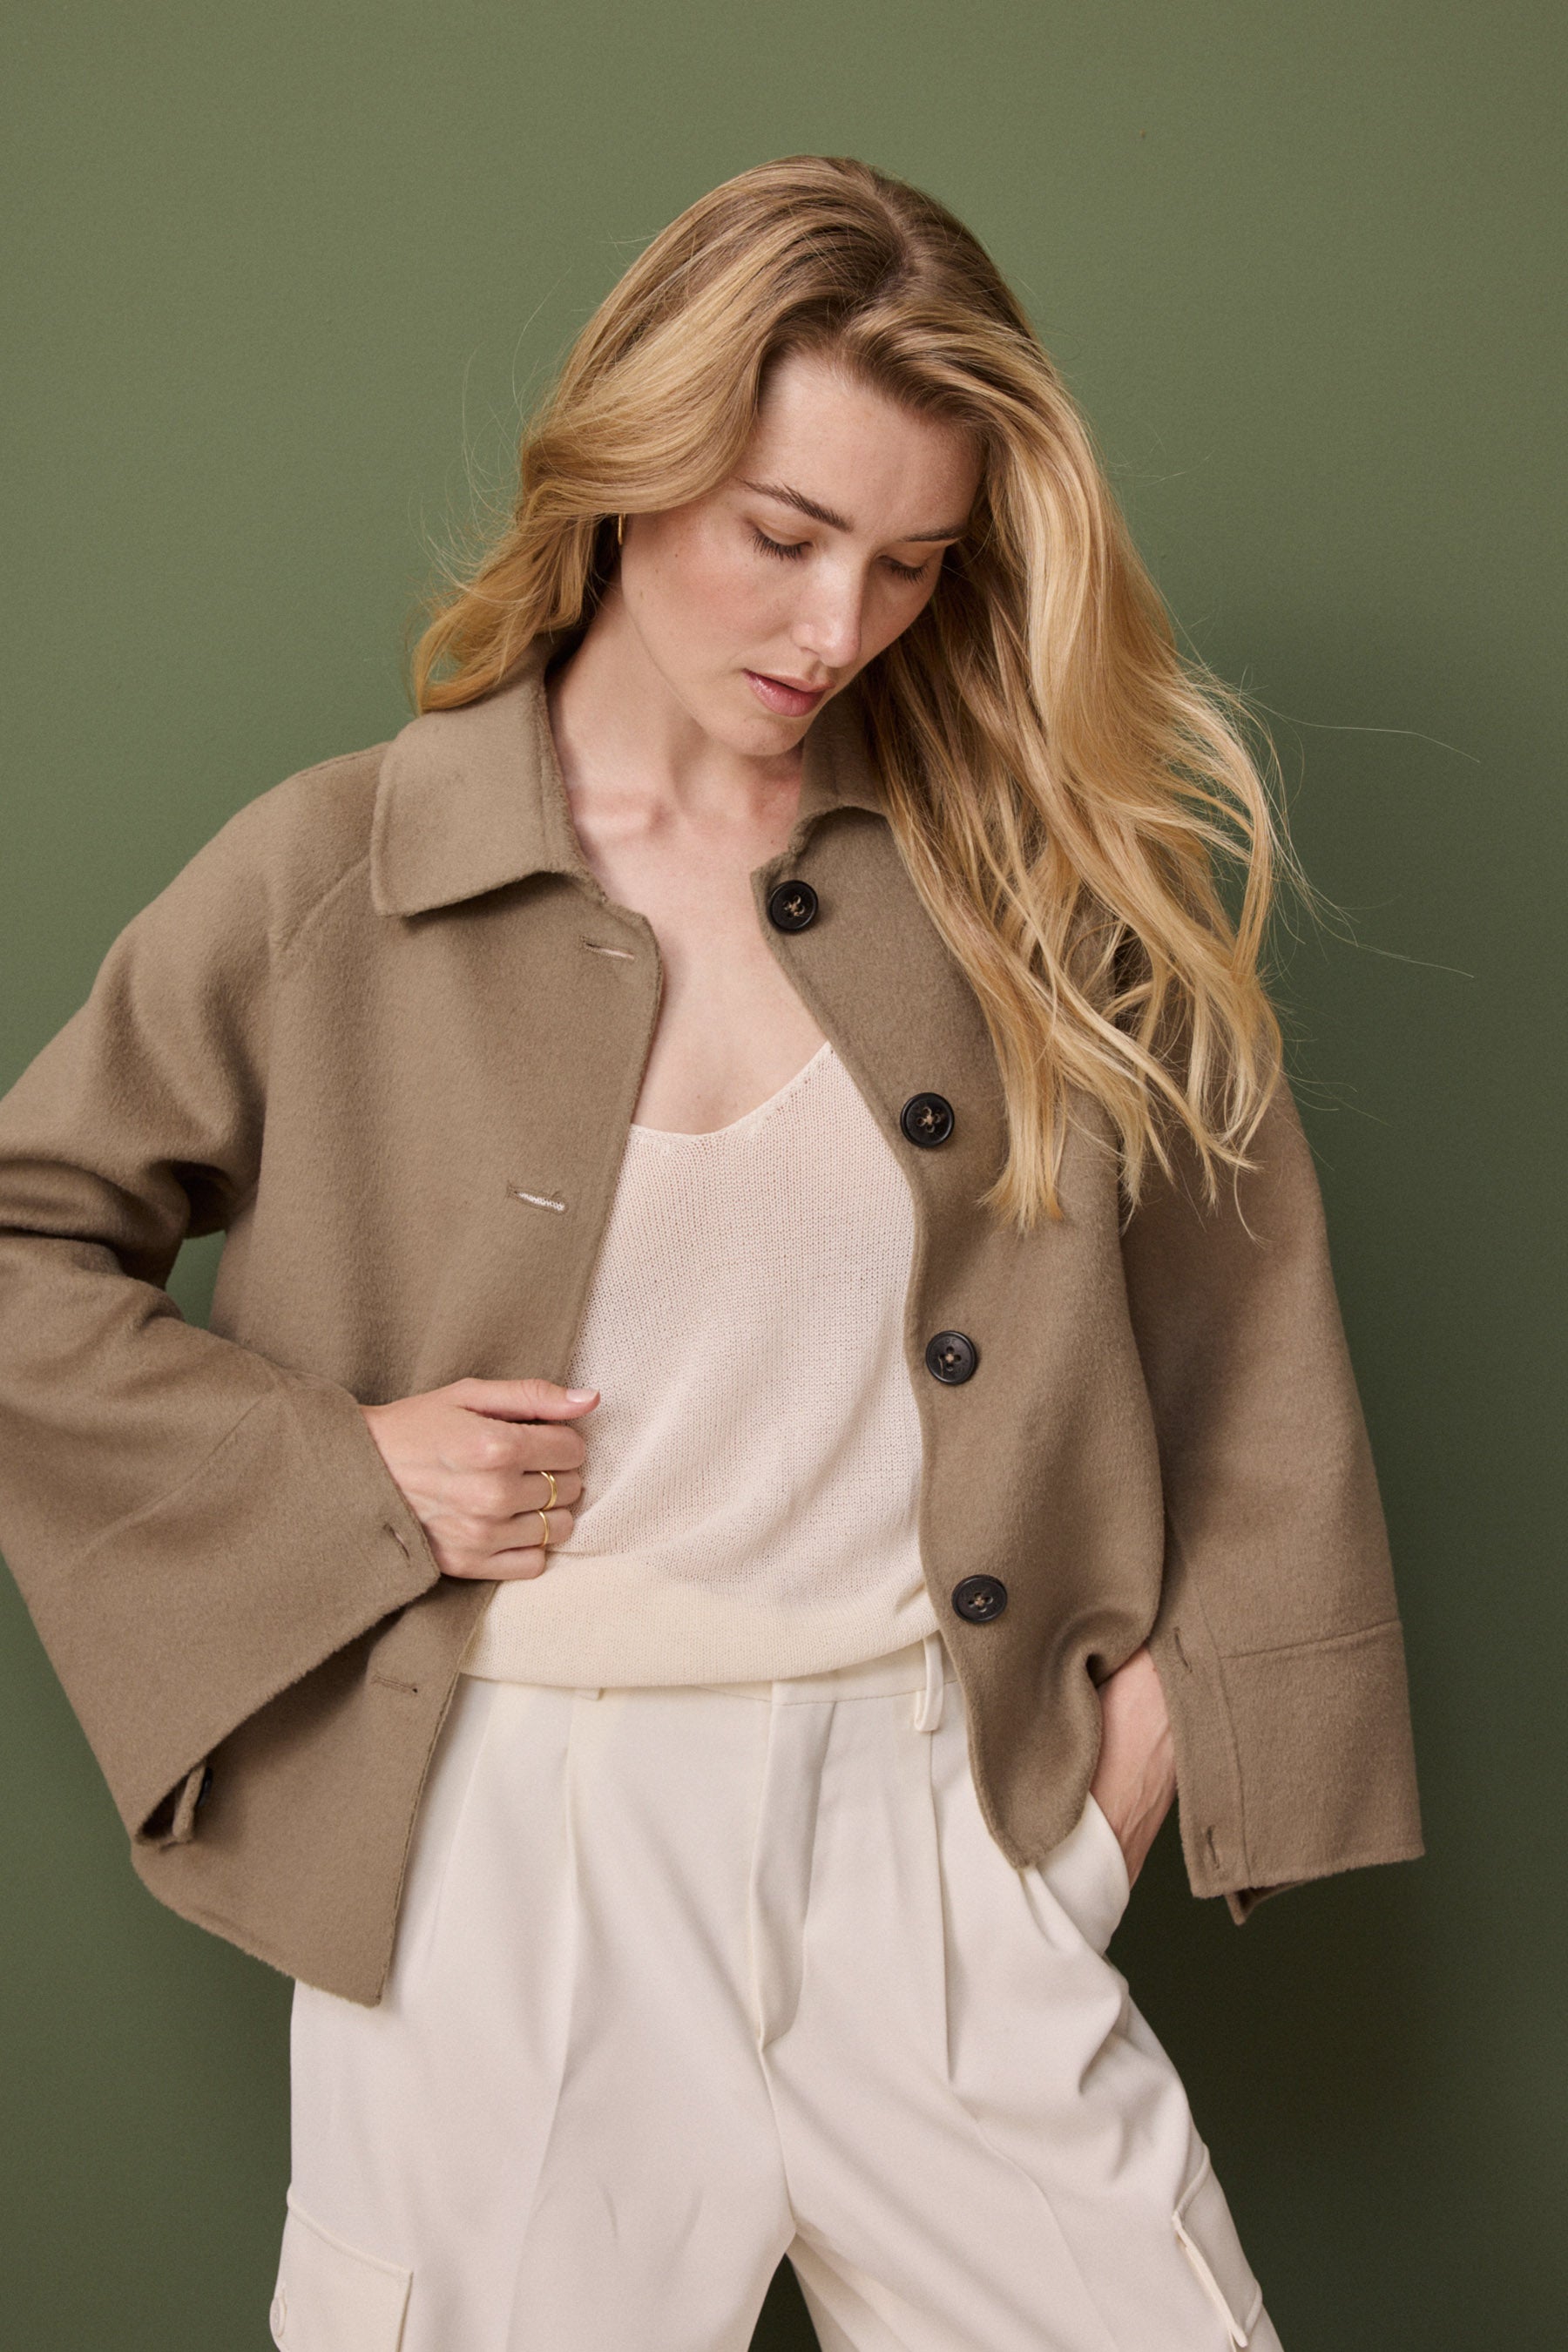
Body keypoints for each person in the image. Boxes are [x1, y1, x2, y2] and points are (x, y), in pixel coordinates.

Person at [0, 156, 1423, 2351]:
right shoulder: (338, 877)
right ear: (631, 468)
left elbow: (1246, 1328)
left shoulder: (1030, 886)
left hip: (942, 1838)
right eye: (782, 533)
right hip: (509, 1857)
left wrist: (1136, 1770)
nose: (837, 625)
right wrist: (347, 1473)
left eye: (910, 563)